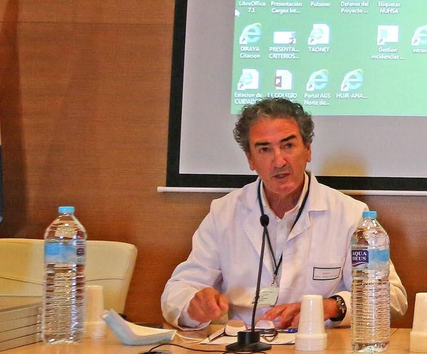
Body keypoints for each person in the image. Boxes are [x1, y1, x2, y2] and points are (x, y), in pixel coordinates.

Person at [161, 97, 407, 330]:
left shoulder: (350, 214)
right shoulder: (224, 213)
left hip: (319, 352)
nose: (279, 161)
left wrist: (332, 307)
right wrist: (194, 305)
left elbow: (393, 297)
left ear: (308, 150)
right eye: (264, 149)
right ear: (250, 159)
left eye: (288, 145)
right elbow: (177, 292)